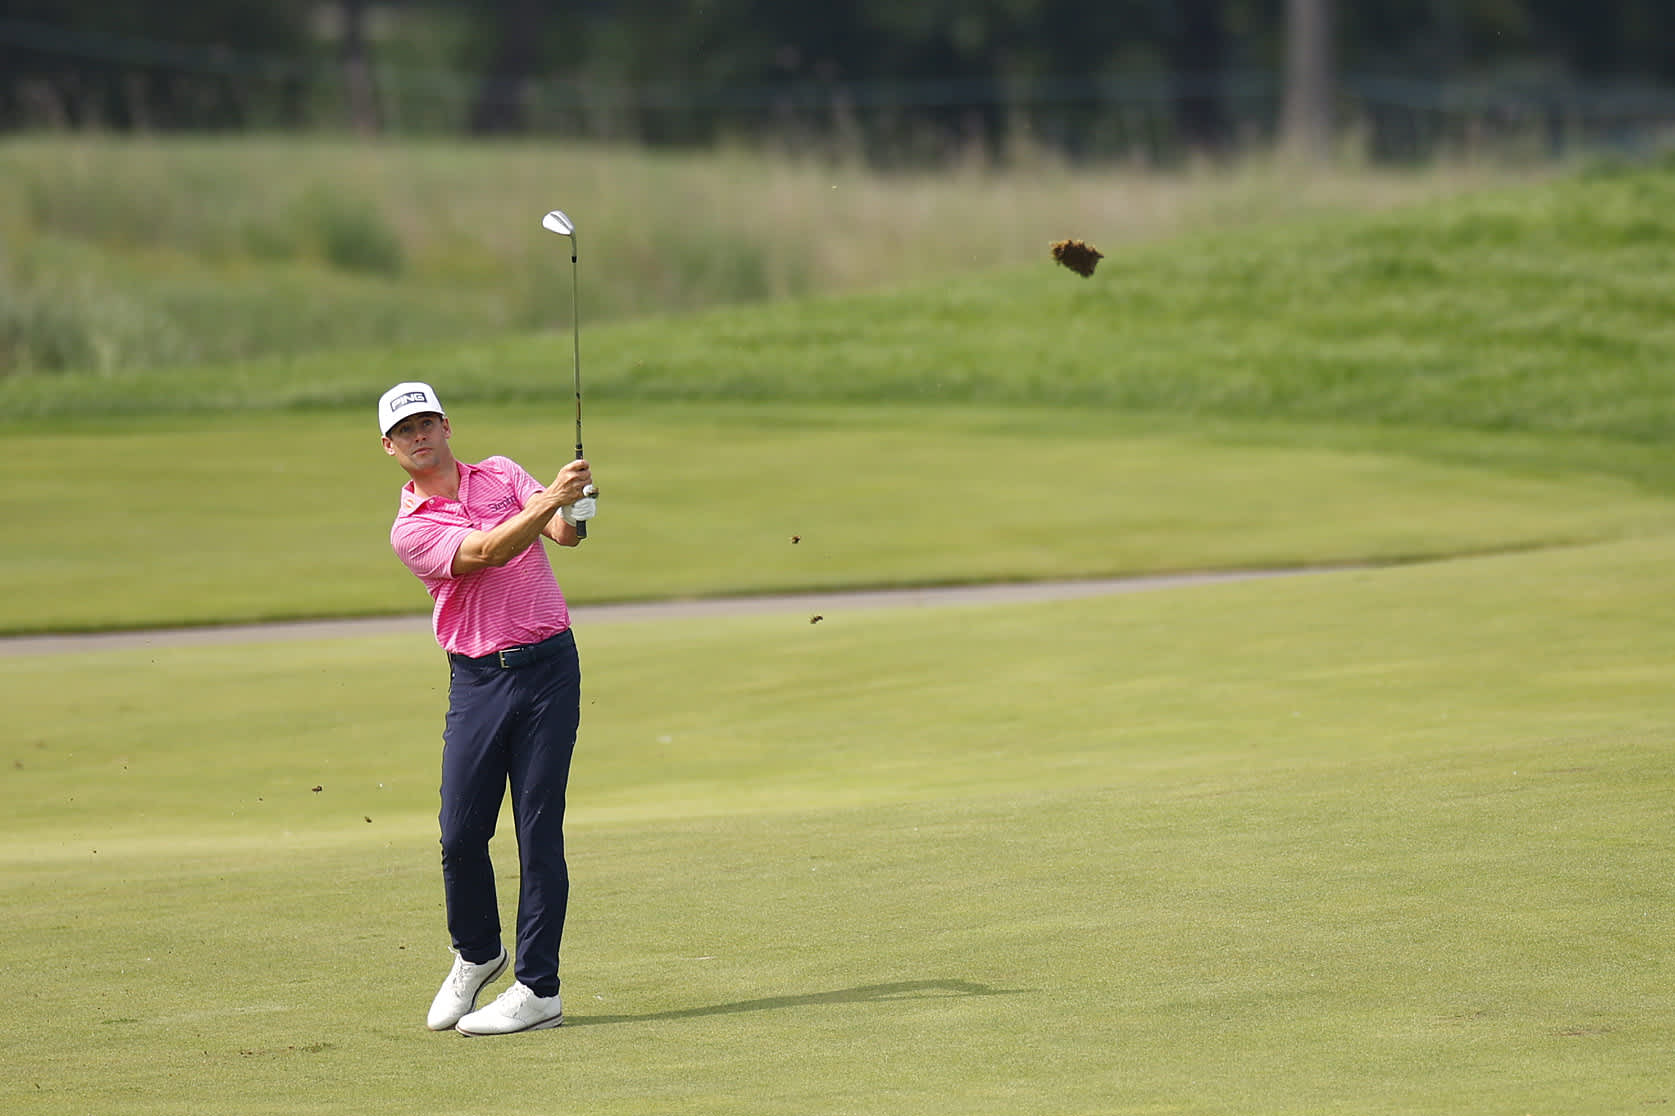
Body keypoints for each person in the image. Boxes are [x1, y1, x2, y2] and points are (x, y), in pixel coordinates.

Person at [377, 381, 597, 1036]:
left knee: (538, 829)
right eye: (404, 430)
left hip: (551, 669)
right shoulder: (410, 528)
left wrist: (578, 507)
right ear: (388, 447)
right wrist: (552, 500)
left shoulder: (501, 473)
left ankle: (538, 990)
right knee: (460, 834)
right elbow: (486, 552)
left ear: (446, 425)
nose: (418, 436)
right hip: (477, 679)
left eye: (426, 422)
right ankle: (477, 953)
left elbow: (560, 533)